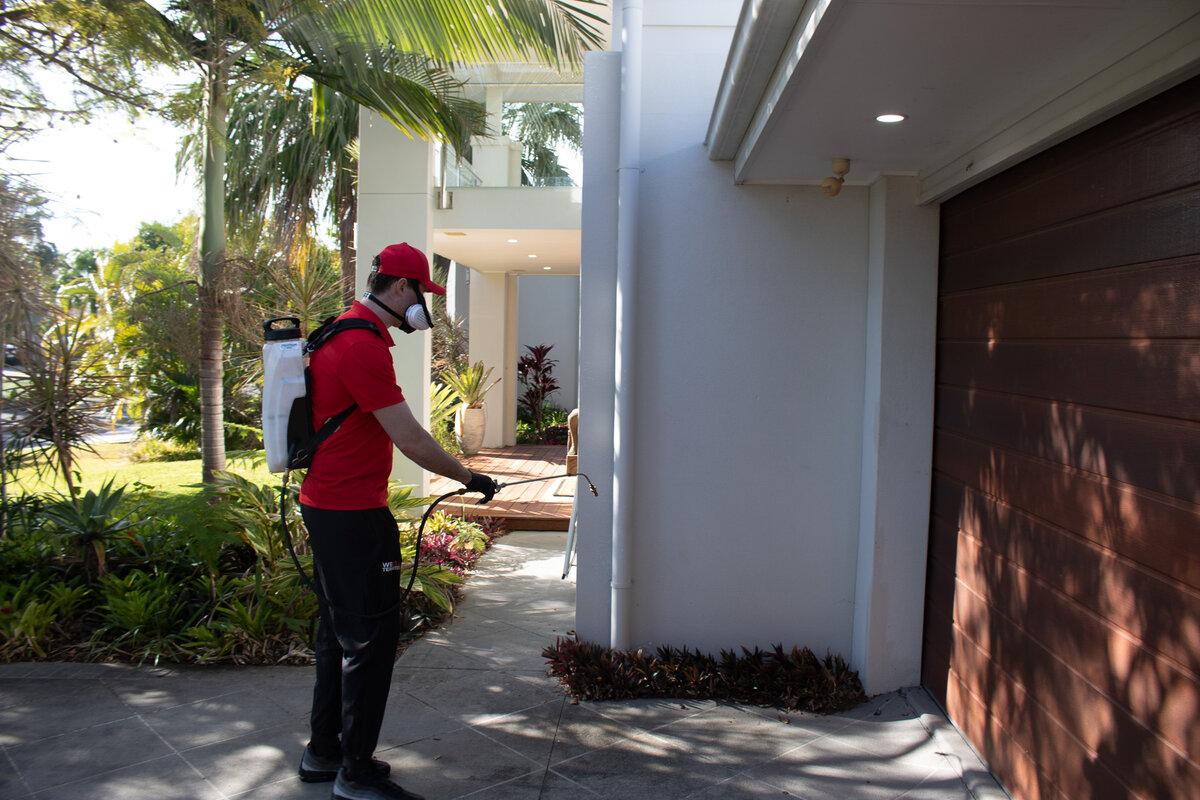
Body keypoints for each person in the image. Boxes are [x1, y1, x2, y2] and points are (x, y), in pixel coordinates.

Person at [296, 242, 498, 800]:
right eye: (423, 295)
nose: (424, 309)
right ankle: (354, 774)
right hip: (353, 512)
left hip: (326, 504)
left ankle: (324, 751)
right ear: (403, 290)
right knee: (369, 641)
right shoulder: (362, 346)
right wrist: (468, 477)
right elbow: (408, 436)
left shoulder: (341, 329)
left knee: (338, 633)